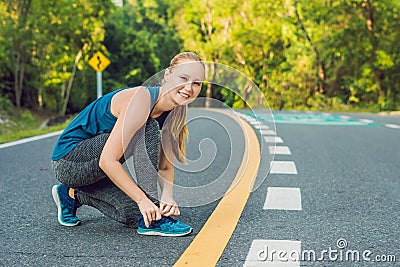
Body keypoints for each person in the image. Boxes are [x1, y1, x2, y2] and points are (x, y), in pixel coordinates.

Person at [51, 52, 205, 237]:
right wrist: (144, 199)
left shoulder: (175, 113)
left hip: (92, 168)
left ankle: (70, 194)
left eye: (196, 83)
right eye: (183, 78)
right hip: (69, 160)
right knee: (148, 127)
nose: (189, 87)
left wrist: (167, 195)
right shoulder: (141, 99)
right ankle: (151, 207)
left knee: (136, 214)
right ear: (167, 75)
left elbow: (164, 167)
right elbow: (107, 161)